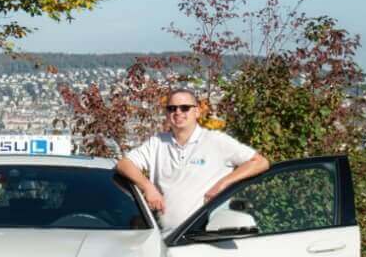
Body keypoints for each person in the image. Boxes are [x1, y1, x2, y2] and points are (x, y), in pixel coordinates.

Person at [115, 86, 269, 234]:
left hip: (205, 237)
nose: (178, 112)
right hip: (165, 238)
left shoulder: (216, 140)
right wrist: (148, 187)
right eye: (172, 108)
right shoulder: (157, 143)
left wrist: (224, 184)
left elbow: (260, 162)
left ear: (197, 112)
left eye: (184, 108)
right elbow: (123, 164)